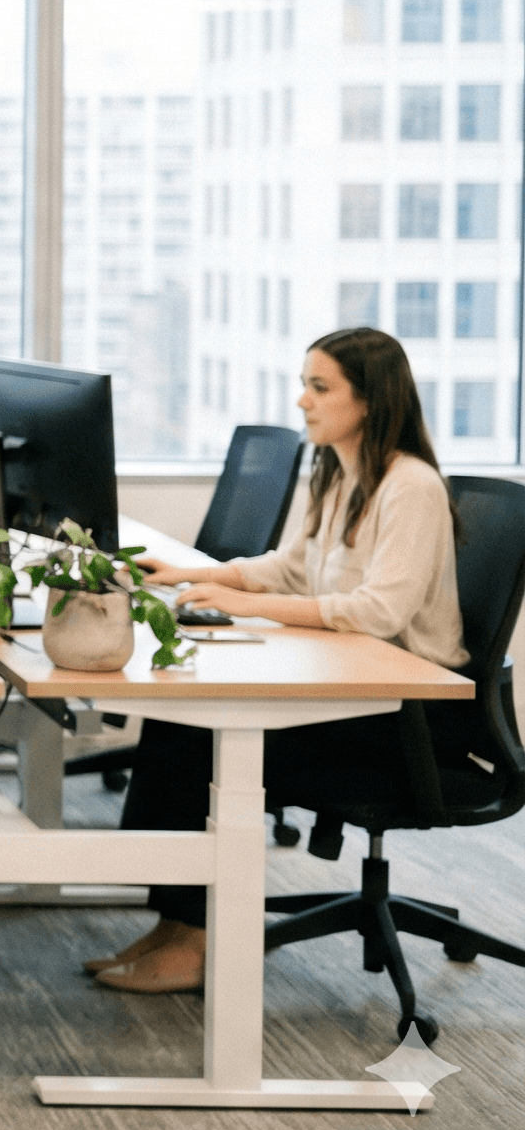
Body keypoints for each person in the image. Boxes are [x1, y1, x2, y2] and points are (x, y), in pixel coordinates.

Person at [87, 325, 470, 995]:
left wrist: (244, 609)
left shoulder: (411, 488)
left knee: (194, 737)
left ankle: (196, 940)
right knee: (179, 720)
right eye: (305, 384)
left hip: (408, 720)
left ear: (372, 402)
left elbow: (378, 610)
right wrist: (188, 574)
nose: (303, 402)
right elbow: (292, 570)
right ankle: (175, 926)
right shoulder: (341, 474)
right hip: (356, 693)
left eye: (320, 388)